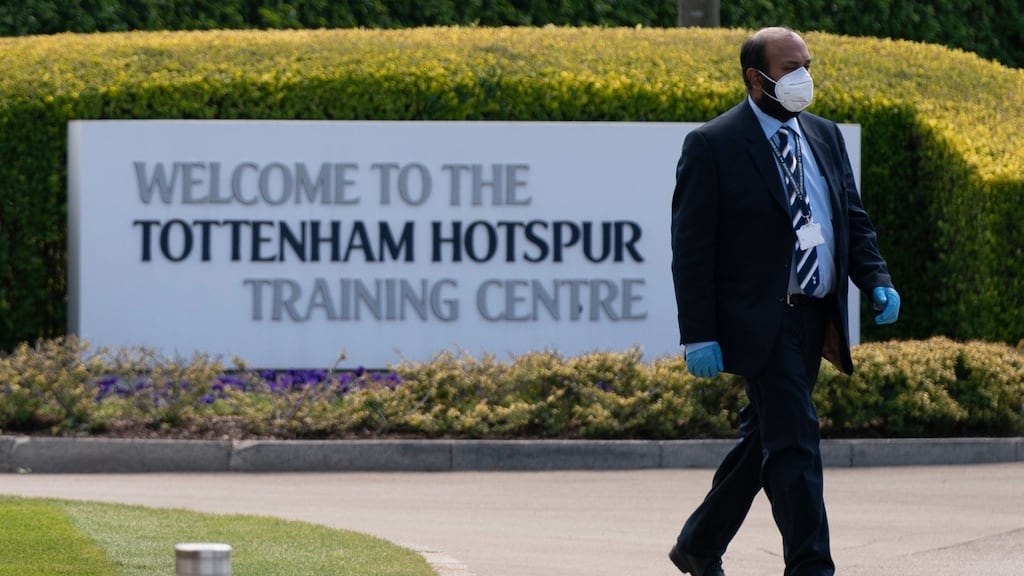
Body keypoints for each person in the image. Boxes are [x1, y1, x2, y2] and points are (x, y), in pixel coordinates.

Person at [668, 26, 901, 576]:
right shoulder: (713, 145)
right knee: (795, 444)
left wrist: (876, 278)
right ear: (756, 77)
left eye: (807, 65)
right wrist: (699, 332)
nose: (804, 78)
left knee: (764, 442)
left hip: (814, 318)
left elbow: (849, 218)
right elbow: (691, 250)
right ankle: (811, 567)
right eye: (790, 68)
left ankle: (699, 544)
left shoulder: (824, 134)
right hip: (759, 321)